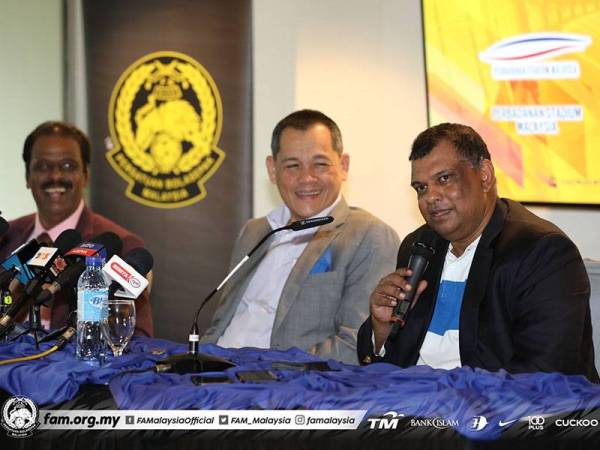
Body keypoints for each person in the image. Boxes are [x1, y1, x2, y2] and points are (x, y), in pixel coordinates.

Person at [357, 122, 598, 382]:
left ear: (484, 174)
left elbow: (543, 373)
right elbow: (392, 367)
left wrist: (447, 401)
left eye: (444, 179)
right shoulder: (419, 246)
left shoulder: (541, 252)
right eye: (421, 188)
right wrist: (382, 329)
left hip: (501, 411)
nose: (430, 197)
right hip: (420, 407)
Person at [201, 109, 399, 364]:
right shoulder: (254, 231)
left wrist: (264, 371)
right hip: (212, 375)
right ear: (272, 170)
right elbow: (220, 325)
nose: (307, 178)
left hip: (281, 386)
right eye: (293, 165)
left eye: (320, 164)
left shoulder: (369, 236)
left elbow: (354, 345)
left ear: (343, 166)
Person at [0, 121, 153, 337]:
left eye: (67, 166)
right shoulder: (6, 237)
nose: (55, 176)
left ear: (85, 175)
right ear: (27, 177)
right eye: (43, 166)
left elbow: (136, 338)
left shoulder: (121, 246)